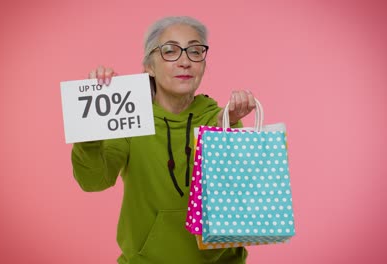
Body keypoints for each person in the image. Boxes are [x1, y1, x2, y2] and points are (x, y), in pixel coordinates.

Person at [71, 16, 256, 264]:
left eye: (194, 51)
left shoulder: (221, 118)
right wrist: (92, 120)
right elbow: (93, 181)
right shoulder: (130, 119)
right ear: (149, 66)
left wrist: (227, 127)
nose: (185, 62)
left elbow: (238, 199)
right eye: (170, 51)